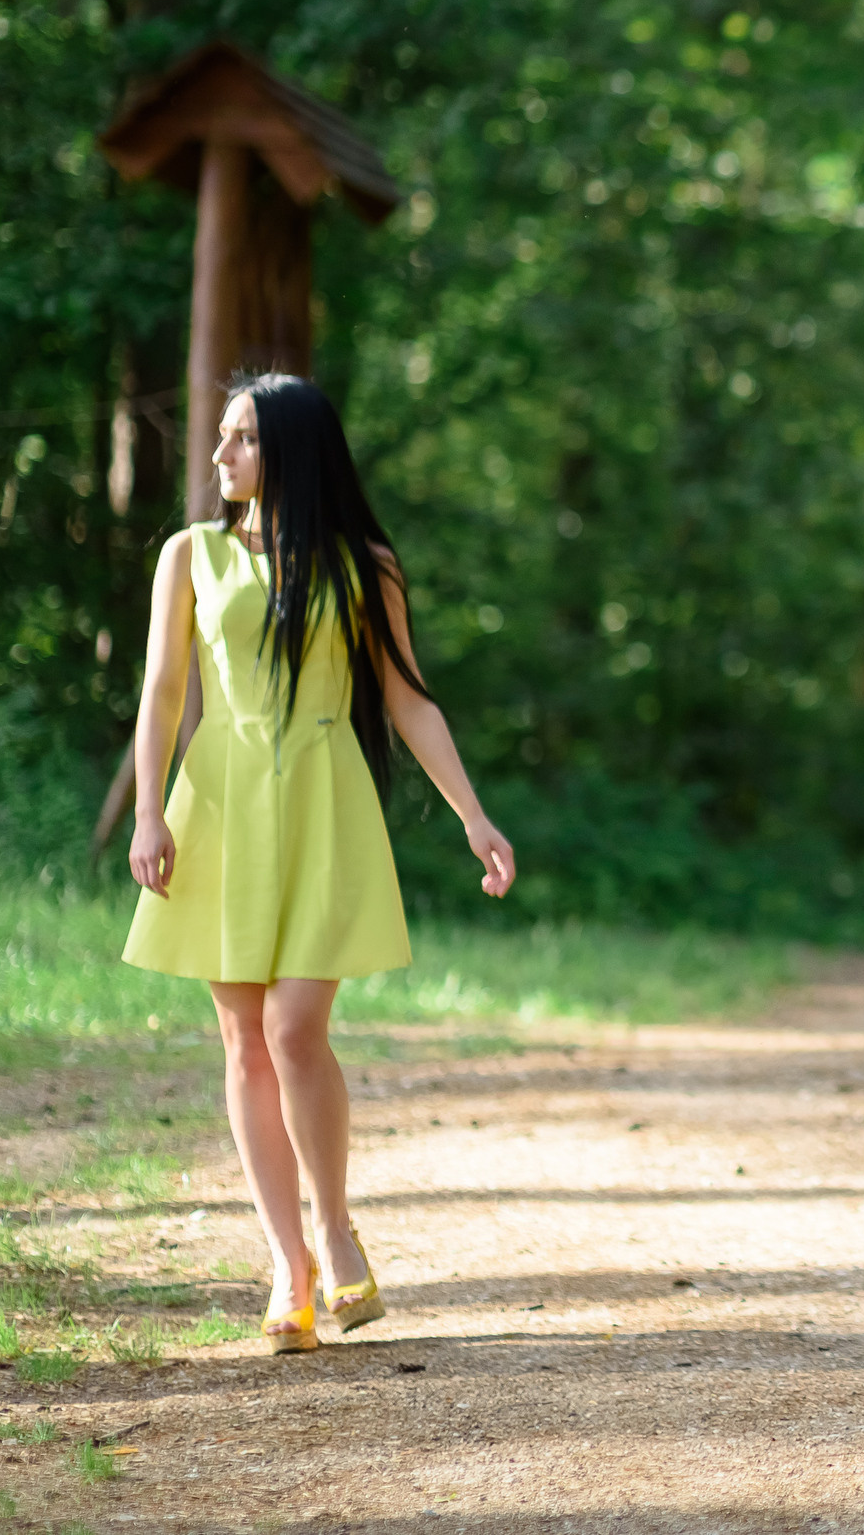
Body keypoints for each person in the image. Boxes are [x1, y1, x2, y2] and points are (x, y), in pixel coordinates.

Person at [123, 374, 517, 1354]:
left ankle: (335, 1226)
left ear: (292, 449)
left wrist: (472, 814)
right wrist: (149, 811)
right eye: (223, 436)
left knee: (295, 1027)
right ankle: (287, 1262)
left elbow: (407, 697)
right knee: (243, 1039)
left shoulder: (362, 564)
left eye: (244, 438)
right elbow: (163, 691)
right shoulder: (192, 554)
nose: (222, 455)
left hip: (324, 799)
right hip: (219, 802)